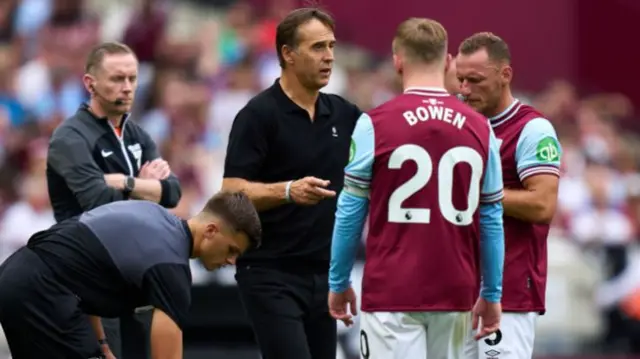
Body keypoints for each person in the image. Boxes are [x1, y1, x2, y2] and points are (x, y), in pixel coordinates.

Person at [328, 18, 505, 359]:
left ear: (397, 60)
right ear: (448, 60)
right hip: (457, 290)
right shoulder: (481, 128)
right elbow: (491, 217)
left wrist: (338, 283)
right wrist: (493, 293)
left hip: (391, 290)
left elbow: (349, 213)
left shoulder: (373, 123)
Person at [222, 7, 362, 359]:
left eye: (331, 46)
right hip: (270, 272)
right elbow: (231, 191)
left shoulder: (344, 113)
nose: (329, 56)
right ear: (287, 53)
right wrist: (287, 191)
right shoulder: (258, 115)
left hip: (324, 274)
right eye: (318, 47)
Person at [0, 191, 261, 359]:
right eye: (231, 250)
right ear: (211, 230)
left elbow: (80, 273)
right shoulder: (171, 268)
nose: (231, 261)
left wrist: (102, 345)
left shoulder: (153, 215)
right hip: (40, 293)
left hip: (20, 279)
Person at [46, 41, 182, 358]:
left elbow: (173, 192)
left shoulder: (137, 134)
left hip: (131, 274)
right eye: (117, 79)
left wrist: (125, 182)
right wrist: (147, 187)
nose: (127, 87)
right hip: (87, 277)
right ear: (90, 83)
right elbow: (96, 200)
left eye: (132, 79)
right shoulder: (70, 137)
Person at [456, 32, 562, 359]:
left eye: (475, 80)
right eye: (460, 79)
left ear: (505, 75)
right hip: (454, 289)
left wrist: (479, 194)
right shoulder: (457, 124)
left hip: (509, 293)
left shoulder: (532, 129)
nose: (464, 89)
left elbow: (542, 205)